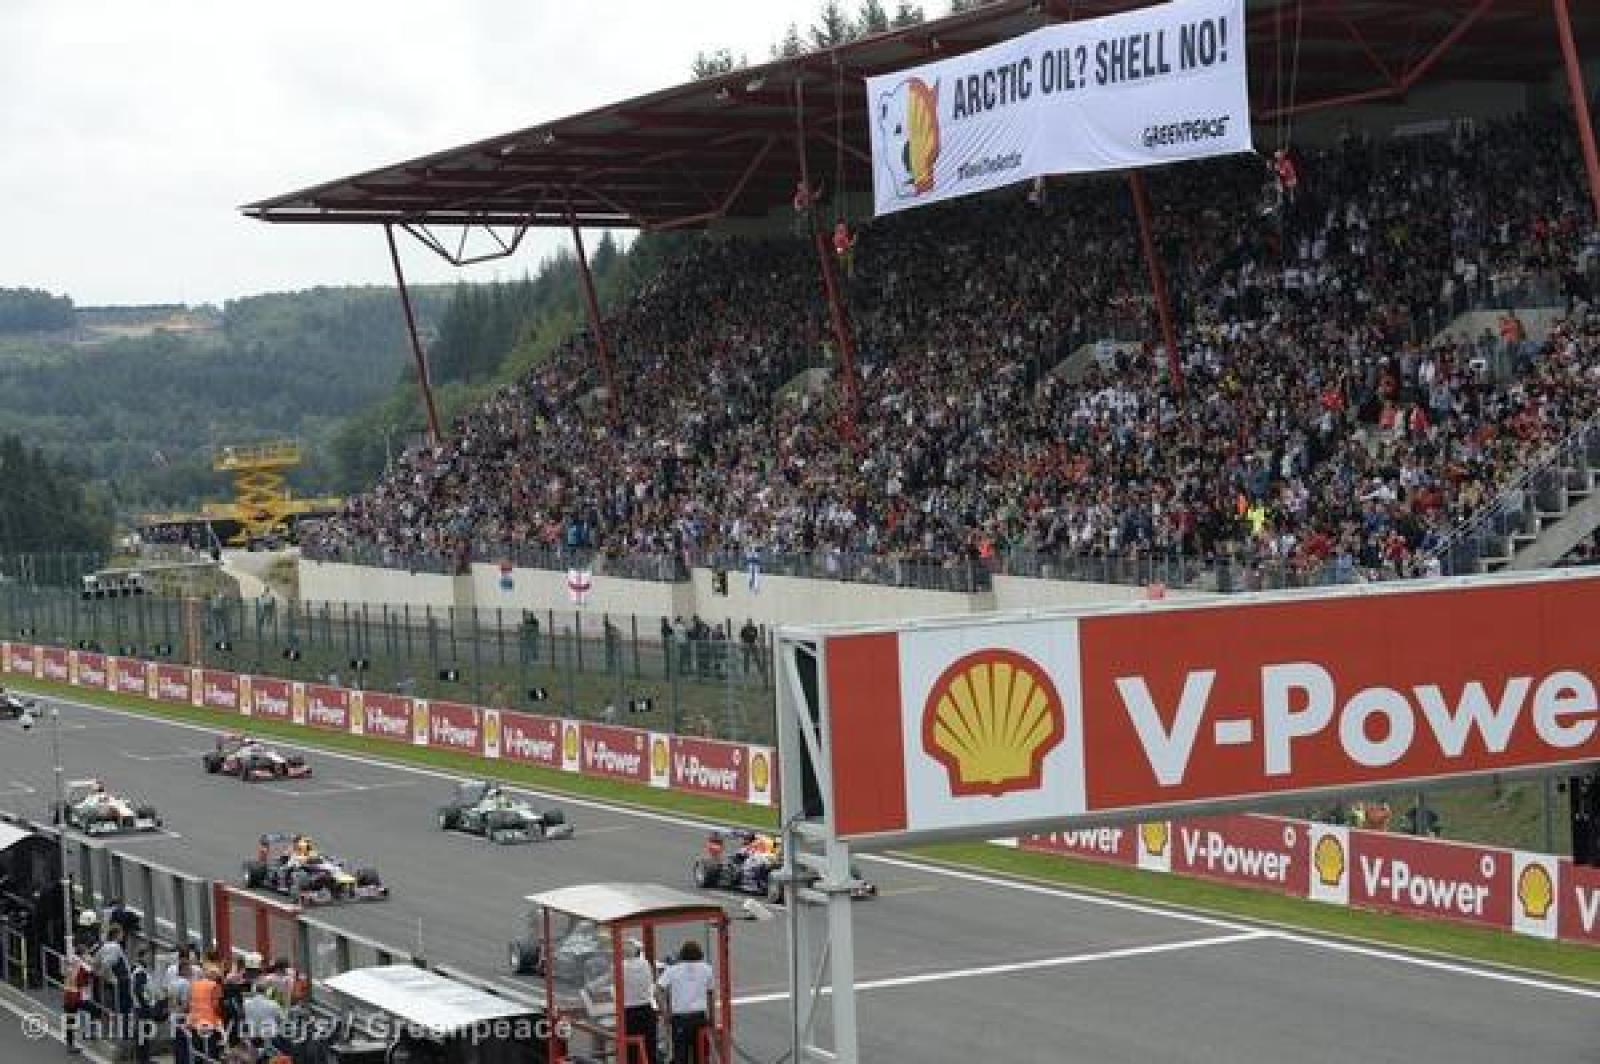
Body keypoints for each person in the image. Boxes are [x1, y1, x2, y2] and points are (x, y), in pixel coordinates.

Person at [656, 939, 714, 1064]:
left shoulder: (672, 970)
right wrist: (711, 1017)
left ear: (682, 954)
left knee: (681, 1056)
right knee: (701, 1056)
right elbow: (710, 994)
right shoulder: (707, 969)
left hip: (680, 1019)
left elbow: (658, 990)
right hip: (700, 1018)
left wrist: (665, 1013)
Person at [620, 939, 659, 1064]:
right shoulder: (646, 964)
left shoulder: (621, 966)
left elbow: (606, 980)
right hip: (647, 1009)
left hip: (629, 1012)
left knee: (631, 1050)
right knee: (650, 1048)